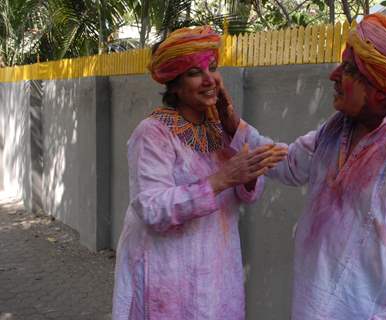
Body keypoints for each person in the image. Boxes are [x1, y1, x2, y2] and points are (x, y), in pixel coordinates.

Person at [217, 13, 386, 320]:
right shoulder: (338, 128)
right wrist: (232, 124)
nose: (334, 74)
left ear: (380, 88)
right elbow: (292, 163)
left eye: (349, 68)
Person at [112, 26, 286, 319]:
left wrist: (248, 172)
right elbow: (152, 208)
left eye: (213, 68)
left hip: (217, 273)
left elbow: (246, 194)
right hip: (168, 272)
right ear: (175, 85)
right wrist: (222, 179)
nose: (210, 80)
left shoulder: (221, 128)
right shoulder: (153, 133)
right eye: (195, 72)